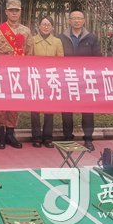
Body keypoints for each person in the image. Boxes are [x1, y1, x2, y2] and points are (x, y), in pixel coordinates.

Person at [0, 0, 34, 149]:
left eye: (17, 10)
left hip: (17, 74)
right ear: (6, 12)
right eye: (11, 10)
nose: (14, 13)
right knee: (1, 103)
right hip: (1, 73)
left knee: (14, 103)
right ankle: (0, 134)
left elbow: (29, 53)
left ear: (20, 12)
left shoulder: (26, 31)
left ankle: (10, 134)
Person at [58, 8, 101, 151]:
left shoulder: (91, 38)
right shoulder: (61, 38)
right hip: (67, 78)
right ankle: (67, 138)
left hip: (85, 80)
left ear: (83, 21)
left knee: (87, 111)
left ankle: (88, 138)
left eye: (79, 18)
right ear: (69, 21)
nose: (76, 21)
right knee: (67, 110)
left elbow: (98, 59)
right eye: (74, 18)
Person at [31, 15, 64, 148]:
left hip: (51, 78)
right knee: (34, 110)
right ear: (39, 26)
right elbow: (28, 58)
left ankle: (48, 137)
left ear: (52, 27)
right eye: (43, 24)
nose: (45, 27)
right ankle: (36, 137)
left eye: (48, 25)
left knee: (49, 109)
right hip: (36, 78)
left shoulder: (57, 42)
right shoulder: (32, 40)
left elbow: (61, 60)